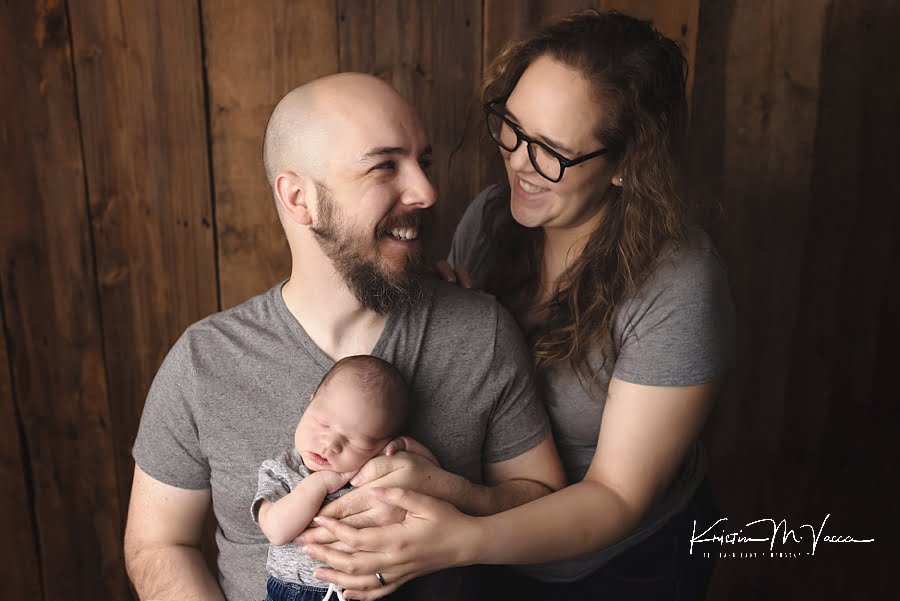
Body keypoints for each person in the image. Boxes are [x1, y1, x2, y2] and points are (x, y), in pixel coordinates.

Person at [300, 10, 736, 601]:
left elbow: (616, 496)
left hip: (621, 565)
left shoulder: (679, 283)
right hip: (480, 542)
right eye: (512, 127)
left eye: (552, 151)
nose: (519, 163)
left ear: (628, 165)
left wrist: (461, 540)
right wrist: (448, 310)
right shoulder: (490, 217)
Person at [123, 73, 566, 601]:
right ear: (299, 198)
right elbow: (157, 544)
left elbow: (547, 507)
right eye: (385, 165)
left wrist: (456, 494)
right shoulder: (204, 360)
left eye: (424, 161)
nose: (427, 191)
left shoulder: (479, 331)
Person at [255, 355, 437, 601]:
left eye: (355, 441)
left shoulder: (373, 470)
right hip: (295, 592)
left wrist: (406, 448)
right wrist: (320, 483)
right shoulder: (282, 470)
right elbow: (276, 531)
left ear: (382, 445)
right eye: (322, 424)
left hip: (369, 591)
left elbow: (431, 482)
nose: (330, 445)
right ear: (309, 405)